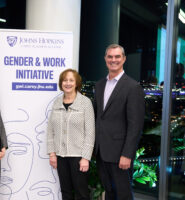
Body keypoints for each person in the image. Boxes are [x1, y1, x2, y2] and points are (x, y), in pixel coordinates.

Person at [94, 44, 145, 200]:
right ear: (105, 59)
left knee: (123, 195)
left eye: (117, 57)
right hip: (101, 151)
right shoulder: (99, 85)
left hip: (120, 154)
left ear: (124, 59)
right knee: (109, 192)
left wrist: (127, 155)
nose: (113, 60)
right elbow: (98, 117)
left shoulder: (132, 87)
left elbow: (135, 125)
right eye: (110, 56)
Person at [47, 69, 95, 200]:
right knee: (65, 192)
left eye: (71, 80)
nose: (67, 83)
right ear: (61, 83)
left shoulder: (85, 102)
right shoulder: (57, 102)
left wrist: (85, 157)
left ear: (76, 83)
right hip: (60, 156)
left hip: (78, 157)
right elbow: (51, 129)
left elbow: (90, 132)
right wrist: (52, 153)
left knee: (82, 193)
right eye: (65, 80)